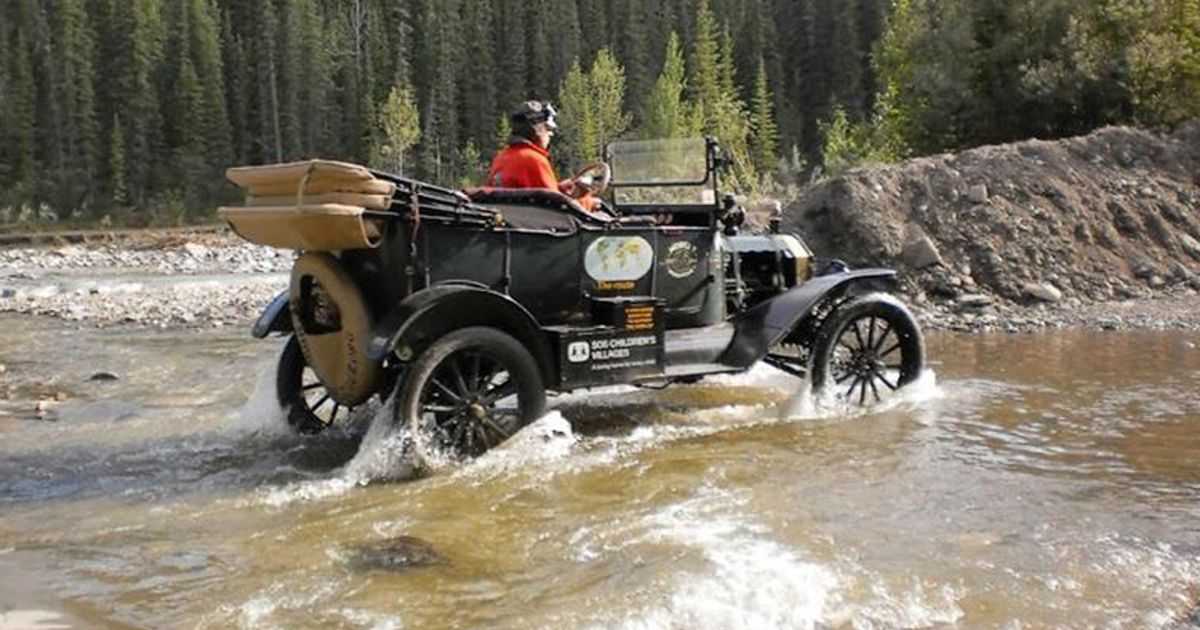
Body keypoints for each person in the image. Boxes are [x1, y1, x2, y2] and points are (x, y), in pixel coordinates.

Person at [487, 100, 590, 204]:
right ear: (538, 130)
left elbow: (534, 192)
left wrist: (559, 188)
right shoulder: (534, 160)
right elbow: (557, 205)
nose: (550, 135)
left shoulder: (502, 157)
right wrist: (588, 203)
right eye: (548, 129)